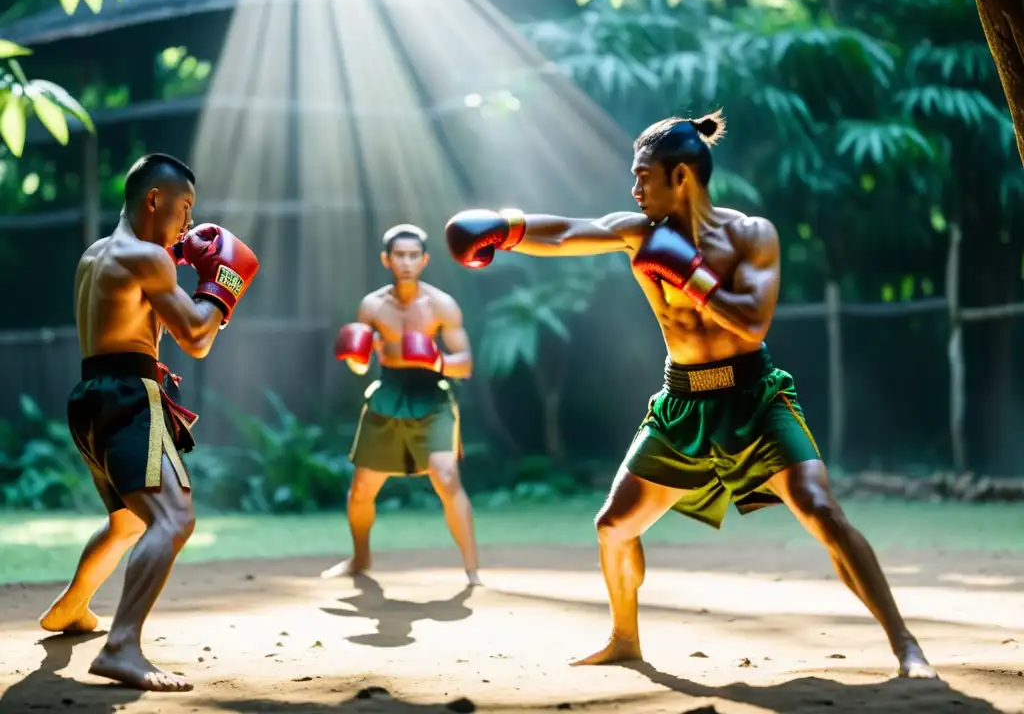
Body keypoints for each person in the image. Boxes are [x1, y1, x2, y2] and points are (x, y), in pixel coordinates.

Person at [443, 112, 936, 679]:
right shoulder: (639, 233)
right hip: (682, 404)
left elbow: (752, 323)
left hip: (754, 397)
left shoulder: (752, 234)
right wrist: (505, 228)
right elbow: (568, 231)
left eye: (643, 176)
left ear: (680, 176)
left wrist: (690, 275)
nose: (633, 189)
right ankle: (624, 638)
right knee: (613, 526)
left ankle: (906, 646)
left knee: (821, 510)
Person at [38, 153, 260, 692]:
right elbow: (196, 338)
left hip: (89, 395)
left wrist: (178, 258)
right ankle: (121, 647)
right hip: (131, 396)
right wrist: (224, 281)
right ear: (153, 200)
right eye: (185, 208)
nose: (188, 223)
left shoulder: (95, 255)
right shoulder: (148, 259)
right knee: (174, 519)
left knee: (129, 520)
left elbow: (133, 316)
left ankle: (70, 608)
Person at [321, 224, 481, 586]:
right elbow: (361, 364)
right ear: (386, 259)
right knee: (362, 488)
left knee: (446, 475)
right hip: (388, 393)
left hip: (432, 395)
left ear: (424, 260)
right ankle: (360, 558)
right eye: (399, 255)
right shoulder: (373, 305)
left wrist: (434, 359)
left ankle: (472, 569)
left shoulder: (441, 305)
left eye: (413, 256)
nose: (406, 262)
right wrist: (356, 356)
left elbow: (466, 364)